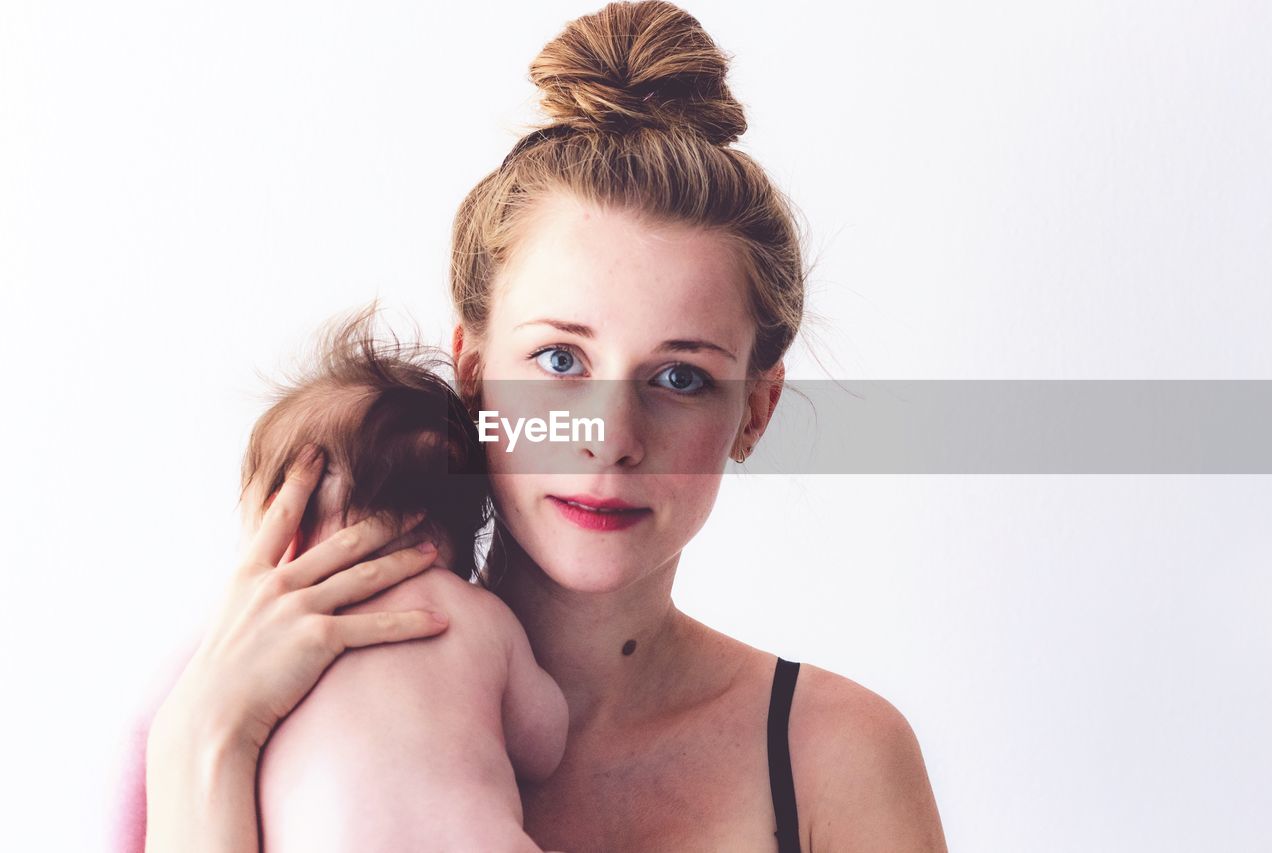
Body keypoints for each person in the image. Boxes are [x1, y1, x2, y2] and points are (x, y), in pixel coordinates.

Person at [143, 2, 949, 851]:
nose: (611, 438)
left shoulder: (836, 758)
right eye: (561, 360)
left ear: (755, 409)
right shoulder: (254, 705)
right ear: (471, 368)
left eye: (680, 376)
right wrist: (199, 737)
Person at [128, 306, 570, 853]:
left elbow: (134, 792)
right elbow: (544, 744)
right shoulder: (474, 614)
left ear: (280, 518)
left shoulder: (222, 651)